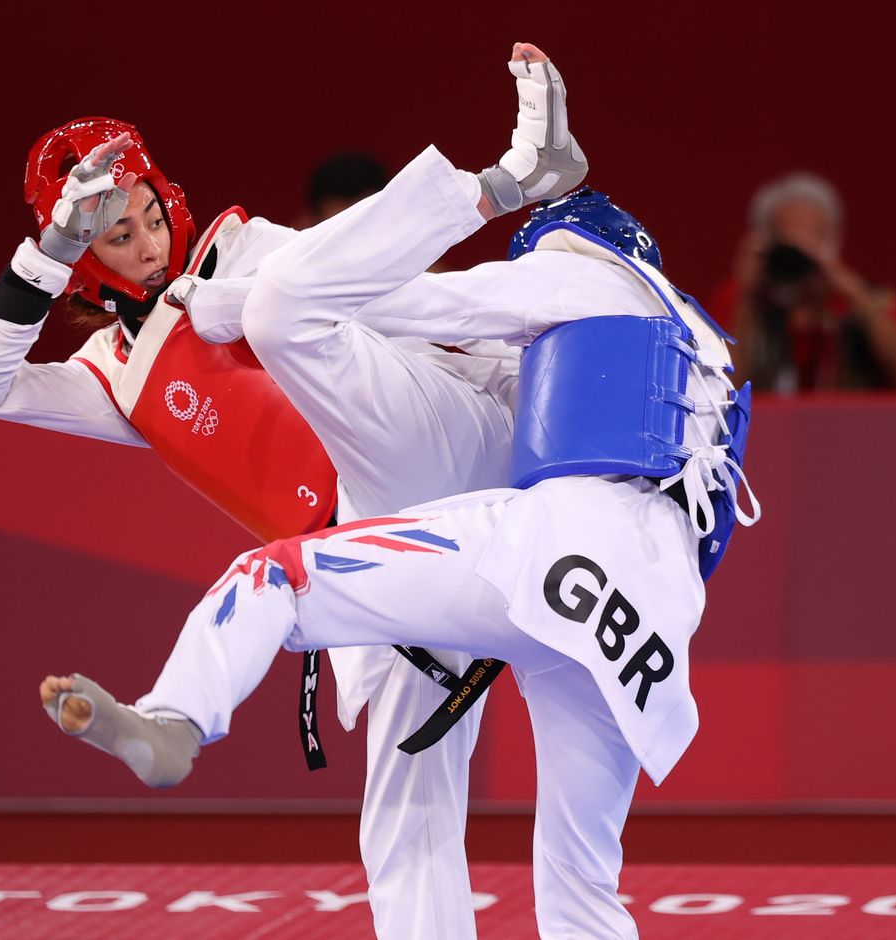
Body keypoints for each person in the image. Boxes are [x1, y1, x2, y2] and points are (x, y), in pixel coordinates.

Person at [0, 43, 587, 939]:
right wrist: (44, 252)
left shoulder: (245, 248)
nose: (146, 245)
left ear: (168, 196)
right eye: (114, 239)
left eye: (147, 217)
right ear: (86, 265)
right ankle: (172, 722)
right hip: (379, 549)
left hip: (452, 445)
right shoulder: (112, 376)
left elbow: (397, 290)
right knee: (403, 815)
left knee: (280, 301)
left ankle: (517, 174)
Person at [38, 147, 760, 937]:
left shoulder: (580, 280)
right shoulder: (706, 351)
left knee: (271, 579)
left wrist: (230, 303)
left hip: (541, 545)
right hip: (648, 613)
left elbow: (415, 303)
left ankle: (176, 721)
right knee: (582, 885)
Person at [710, 171, 896, 392]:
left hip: (852, 424)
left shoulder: (872, 299)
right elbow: (722, 386)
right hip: (764, 425)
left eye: (812, 243)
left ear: (834, 242)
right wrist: (747, 298)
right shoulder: (740, 298)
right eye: (788, 245)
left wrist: (854, 293)